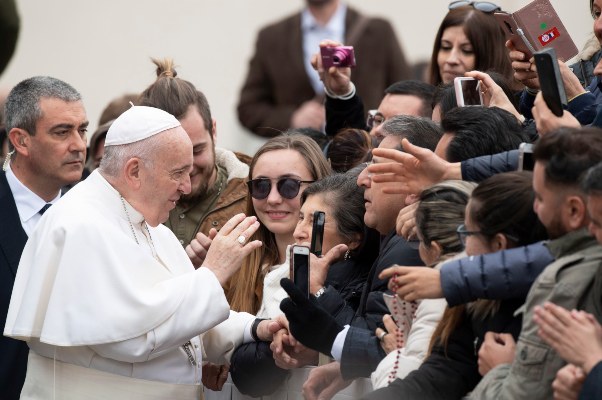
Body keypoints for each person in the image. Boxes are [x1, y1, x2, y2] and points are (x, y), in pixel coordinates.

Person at [3, 105, 274, 399]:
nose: (185, 186)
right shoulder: (78, 226)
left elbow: (180, 320)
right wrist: (213, 273)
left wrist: (255, 328)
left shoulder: (151, 224)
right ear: (134, 171)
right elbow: (133, 339)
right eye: (178, 173)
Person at [274, 115, 441, 399]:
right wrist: (346, 367)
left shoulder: (410, 247)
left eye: (375, 168)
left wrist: (320, 292)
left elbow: (384, 343)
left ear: (414, 177)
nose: (362, 179)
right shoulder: (397, 242)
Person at [367, 171, 548, 399]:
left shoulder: (551, 313)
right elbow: (441, 374)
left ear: (499, 244)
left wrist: (502, 374)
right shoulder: (473, 297)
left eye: (467, 234)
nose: (464, 250)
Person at [464, 127, 602, 400]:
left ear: (575, 211)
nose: (535, 208)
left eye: (539, 197)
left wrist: (501, 370)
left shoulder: (563, 284)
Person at [228, 171, 379, 396]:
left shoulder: (369, 286)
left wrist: (321, 340)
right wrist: (277, 345)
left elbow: (373, 349)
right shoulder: (284, 277)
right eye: (301, 218)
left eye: (315, 222)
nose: (298, 232)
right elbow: (247, 377)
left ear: (353, 239)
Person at [0, 76, 88, 400]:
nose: (79, 144)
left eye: (83, 130)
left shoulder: (100, 206)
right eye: (62, 132)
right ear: (21, 141)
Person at [237, 0, 410, 137]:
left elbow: (407, 97)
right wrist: (292, 118)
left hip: (363, 158)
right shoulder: (272, 37)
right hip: (300, 163)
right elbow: (248, 108)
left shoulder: (379, 31)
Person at [371, 179, 474, 389]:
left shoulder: (438, 300)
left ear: (434, 250)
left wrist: (398, 353)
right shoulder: (490, 281)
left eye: (417, 240)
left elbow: (409, 382)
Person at [138, 58, 251, 249]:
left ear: (213, 130)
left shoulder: (256, 199)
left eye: (196, 151)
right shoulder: (128, 207)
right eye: (171, 159)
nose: (187, 170)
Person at [429, 2, 513, 86]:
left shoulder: (518, 98)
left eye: (466, 50)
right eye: (446, 47)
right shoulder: (424, 97)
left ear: (494, 55)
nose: (451, 60)